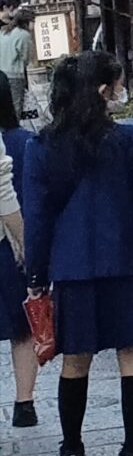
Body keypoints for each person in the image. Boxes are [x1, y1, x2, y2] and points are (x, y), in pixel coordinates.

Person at [25, 52, 133, 456]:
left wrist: (37, 278)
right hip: (130, 261)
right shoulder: (132, 141)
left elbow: (38, 219)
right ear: (102, 91)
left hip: (73, 267)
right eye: (117, 86)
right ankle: (131, 452)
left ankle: (72, 450)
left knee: (74, 359)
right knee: (132, 355)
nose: (121, 93)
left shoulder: (41, 147)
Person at [0, 88, 30, 428]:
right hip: (5, 245)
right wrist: (26, 243)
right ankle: (25, 402)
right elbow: (10, 195)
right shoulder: (22, 142)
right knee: (21, 329)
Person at [0, 9, 31, 118]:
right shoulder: (24, 35)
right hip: (15, 75)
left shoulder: (4, 31)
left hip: (1, 72)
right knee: (15, 106)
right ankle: (12, 132)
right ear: (27, 22)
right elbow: (25, 58)